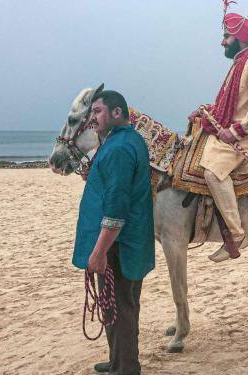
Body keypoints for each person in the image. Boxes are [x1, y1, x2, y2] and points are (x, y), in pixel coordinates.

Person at [72, 90, 155, 374]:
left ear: (116, 113)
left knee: (119, 310)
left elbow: (117, 208)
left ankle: (126, 368)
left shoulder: (119, 148)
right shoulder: (125, 141)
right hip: (127, 243)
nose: (91, 118)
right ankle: (120, 359)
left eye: (96, 112)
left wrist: (99, 252)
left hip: (118, 247)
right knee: (120, 308)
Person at [188, 7, 248, 263]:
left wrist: (236, 130)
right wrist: (204, 110)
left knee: (212, 172)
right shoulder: (238, 64)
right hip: (229, 129)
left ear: (240, 38)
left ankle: (236, 235)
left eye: (226, 36)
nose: (222, 41)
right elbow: (229, 103)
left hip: (247, 134)